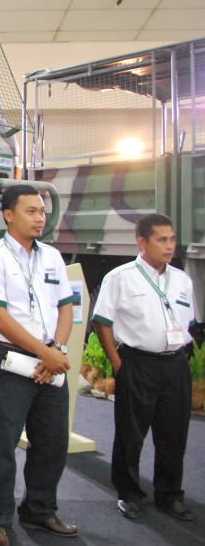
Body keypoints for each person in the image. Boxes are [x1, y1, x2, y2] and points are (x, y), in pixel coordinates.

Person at [0, 184, 77, 546]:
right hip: (9, 363)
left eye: (42, 211)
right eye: (31, 211)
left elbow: (66, 306)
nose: (40, 217)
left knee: (52, 443)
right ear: (8, 215)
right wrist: (44, 352)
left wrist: (56, 350)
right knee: (2, 447)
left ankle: (39, 511)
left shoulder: (52, 256)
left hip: (50, 361)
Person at [92, 213, 198, 522]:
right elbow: (102, 322)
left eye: (172, 239)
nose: (169, 246)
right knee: (131, 433)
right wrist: (118, 365)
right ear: (142, 242)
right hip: (137, 364)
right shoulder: (121, 277)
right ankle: (129, 493)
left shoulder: (182, 280)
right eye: (161, 240)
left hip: (175, 365)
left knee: (174, 434)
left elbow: (187, 321)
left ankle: (169, 495)